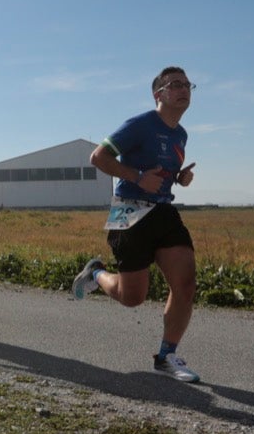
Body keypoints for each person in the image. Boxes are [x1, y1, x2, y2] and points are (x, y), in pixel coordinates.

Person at [73, 67, 201, 382]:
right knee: (133, 297)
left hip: (163, 211)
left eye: (187, 84)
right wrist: (137, 178)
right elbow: (98, 157)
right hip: (128, 212)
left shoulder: (180, 134)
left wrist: (179, 178)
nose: (183, 89)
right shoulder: (140, 124)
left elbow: (163, 172)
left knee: (185, 284)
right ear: (158, 94)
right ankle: (96, 273)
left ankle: (167, 355)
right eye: (175, 84)